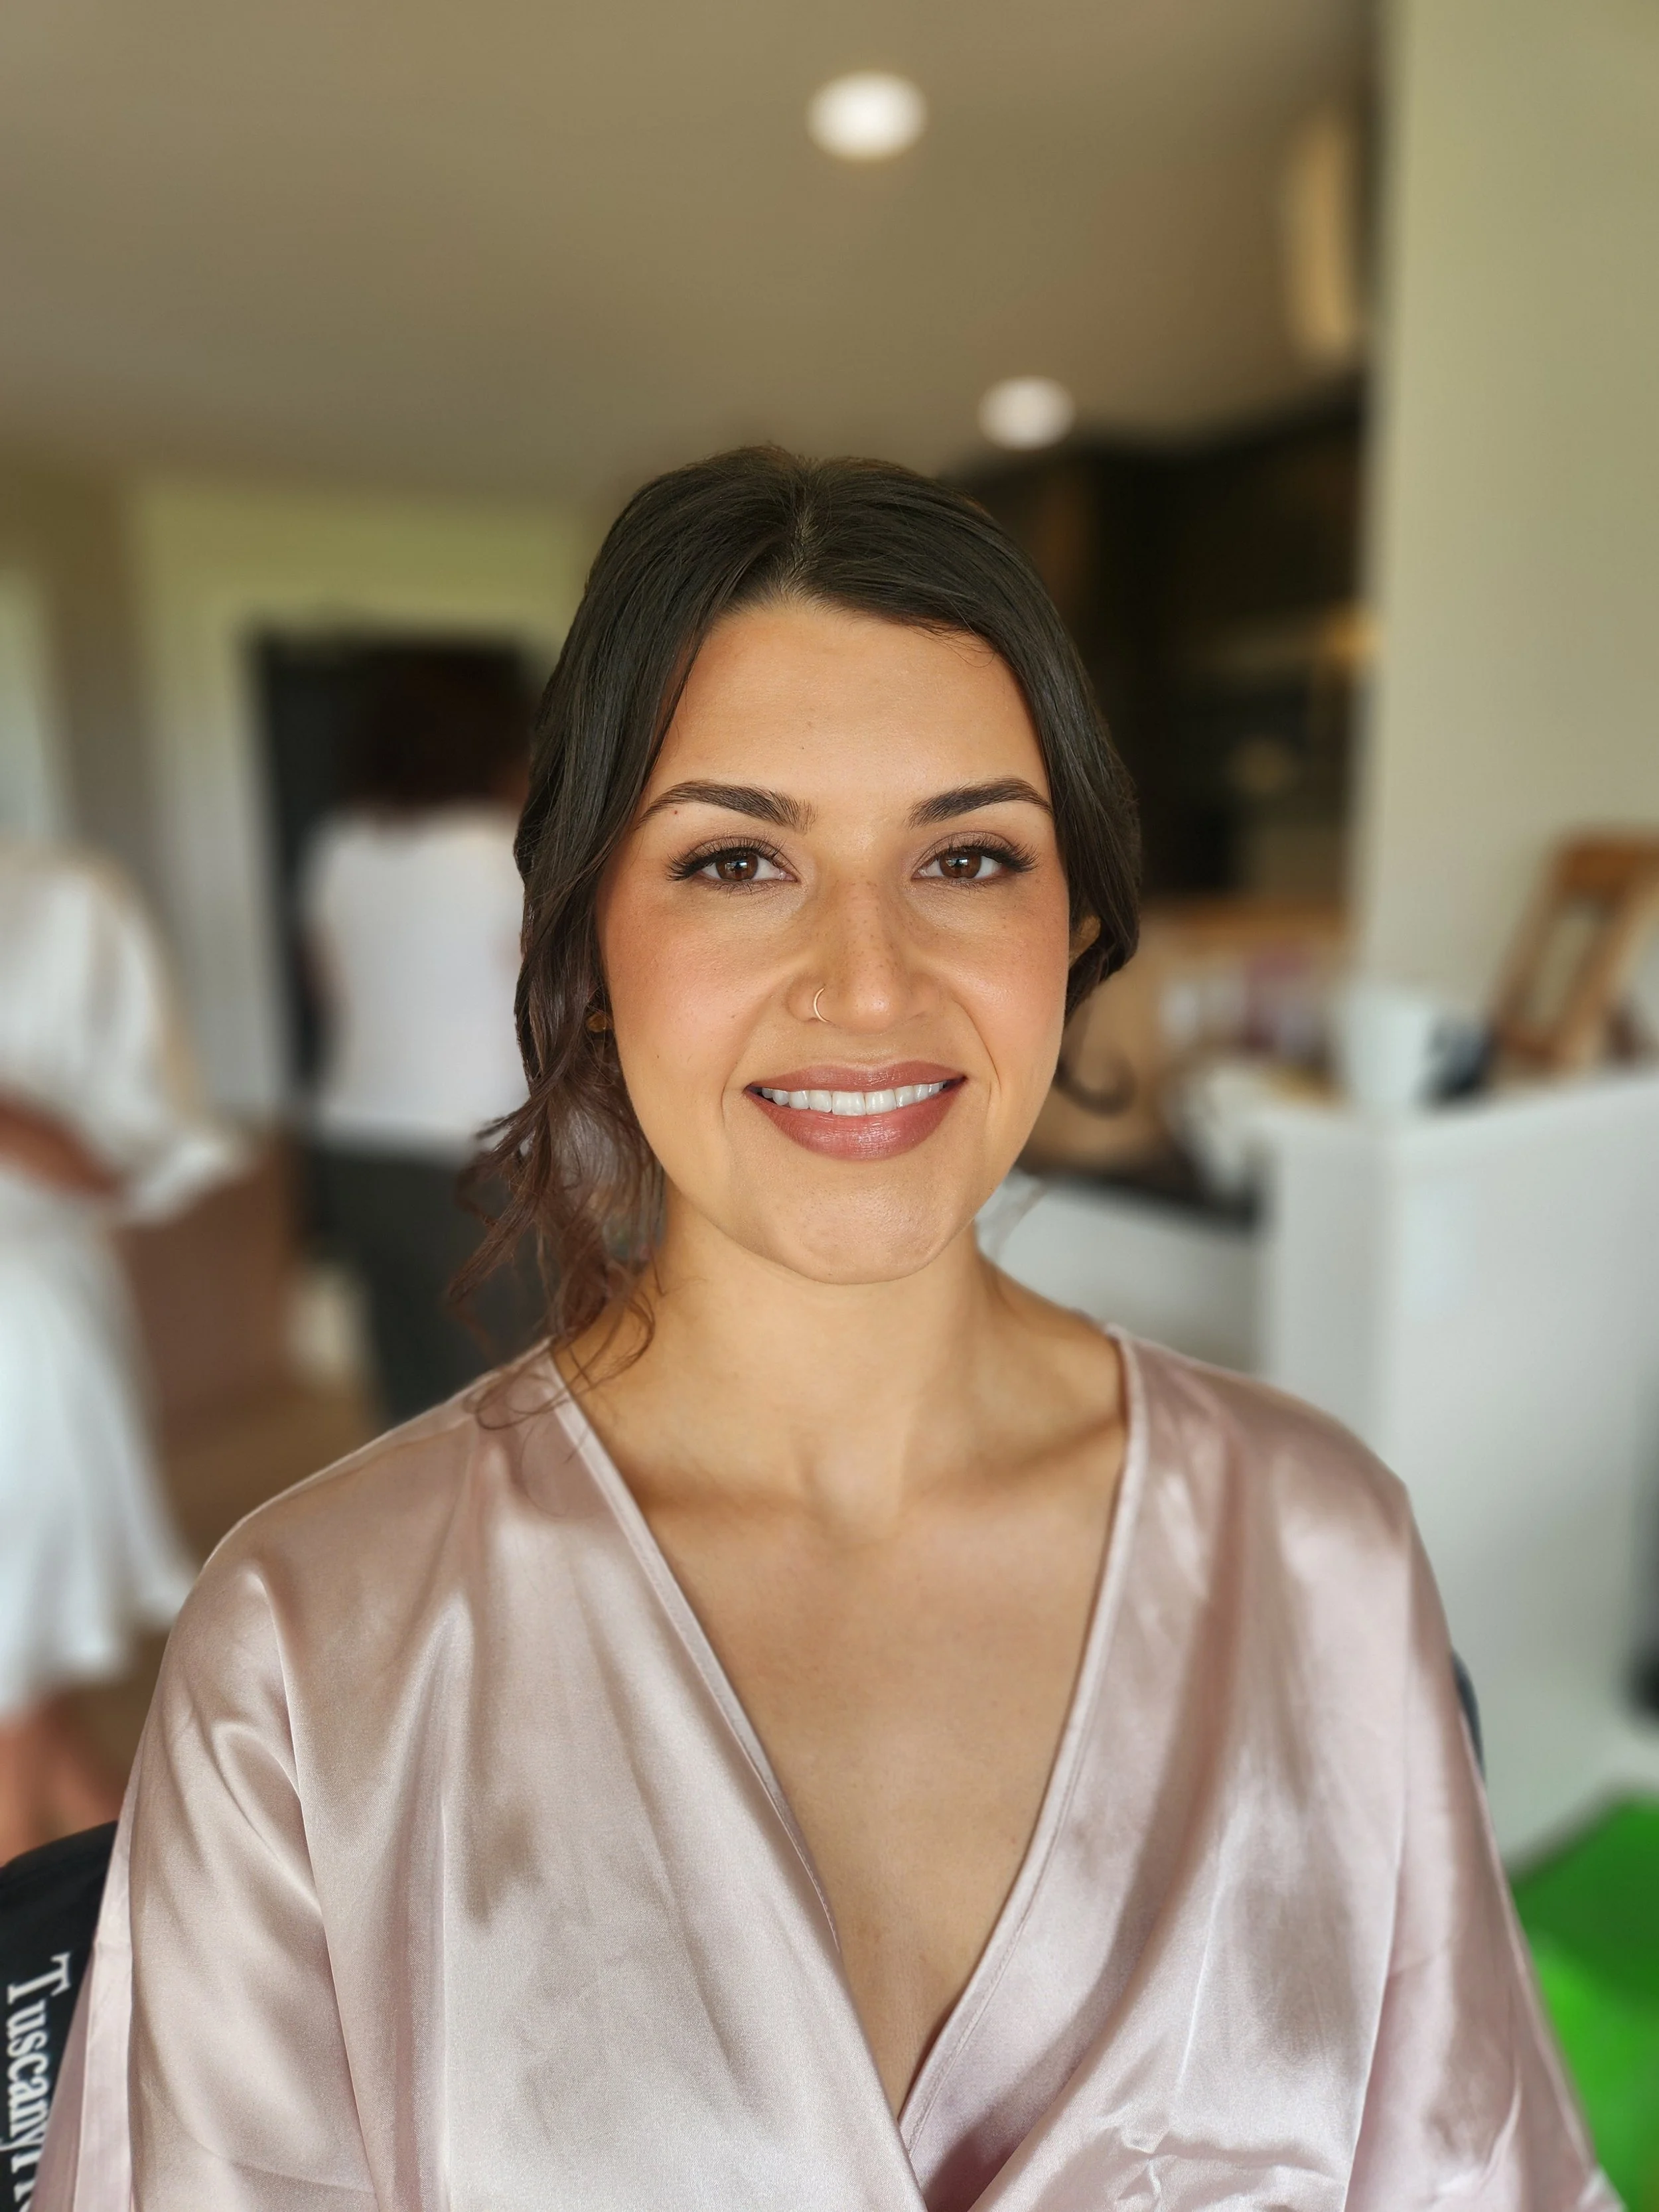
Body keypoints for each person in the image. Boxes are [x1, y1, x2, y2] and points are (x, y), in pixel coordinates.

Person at [38, 453, 1610, 2209]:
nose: (867, 982)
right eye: (735, 856)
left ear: (1070, 922)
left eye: (965, 852)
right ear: (584, 945)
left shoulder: (1315, 1547)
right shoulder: (307, 1650)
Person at [0, 836, 238, 1863]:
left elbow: (134, 1154)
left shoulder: (60, 901)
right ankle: (150, 1955)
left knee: (14, 1719)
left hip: (21, 1343)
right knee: (30, 1730)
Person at [299, 651, 543, 1422]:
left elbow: (329, 989)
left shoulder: (342, 846)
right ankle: (504, 1538)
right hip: (478, 1146)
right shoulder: (504, 852)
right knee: (509, 1374)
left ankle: (419, 1535)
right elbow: (558, 1000)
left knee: (405, 1377)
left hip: (358, 1137)